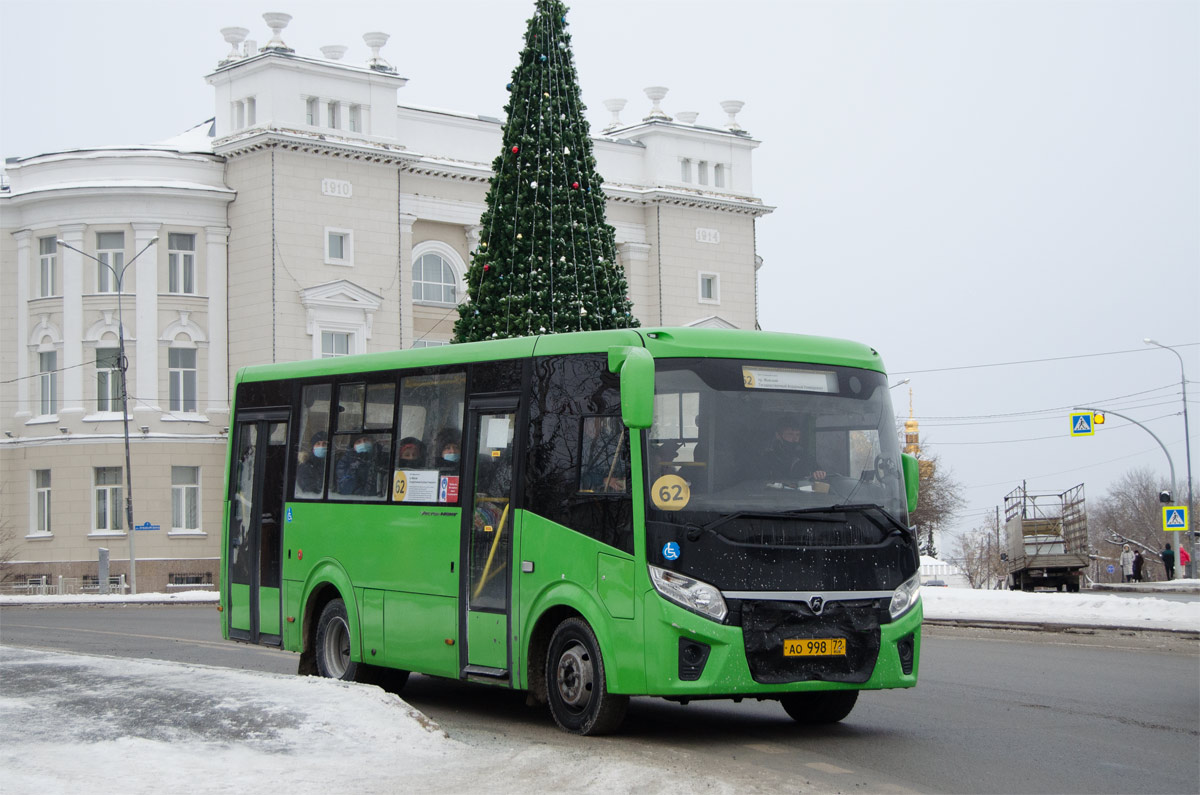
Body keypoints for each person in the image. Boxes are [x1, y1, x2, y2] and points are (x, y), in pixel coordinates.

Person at [762, 416, 826, 484]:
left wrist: (819, 474)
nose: (795, 439)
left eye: (797, 435)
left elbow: (819, 473)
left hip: (800, 494)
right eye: (790, 434)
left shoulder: (805, 456)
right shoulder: (768, 457)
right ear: (778, 435)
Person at [295, 431, 329, 496]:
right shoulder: (305, 465)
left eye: (324, 444)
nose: (321, 447)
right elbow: (308, 488)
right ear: (313, 446)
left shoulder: (333, 463)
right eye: (318, 443)